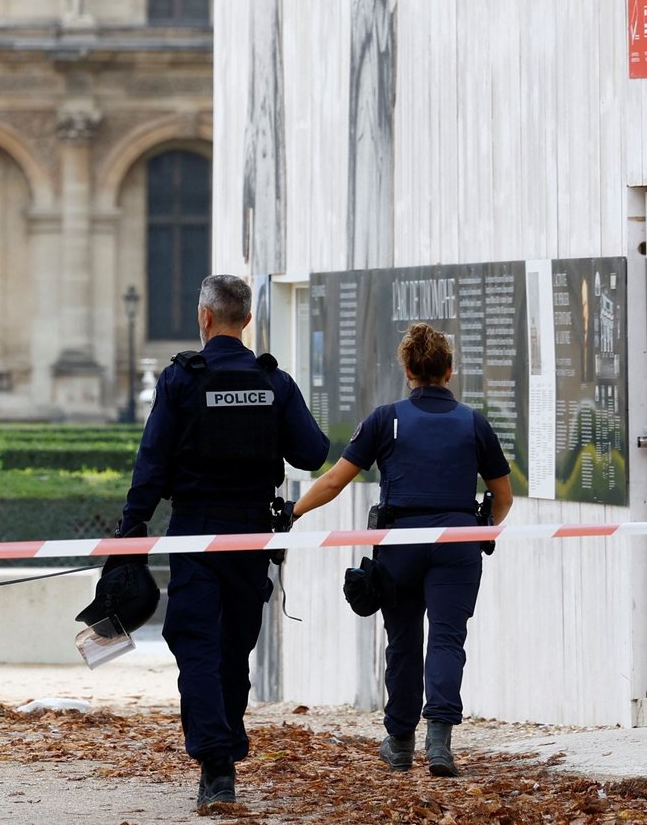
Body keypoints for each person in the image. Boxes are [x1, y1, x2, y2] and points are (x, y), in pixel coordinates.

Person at [115, 274, 329, 810]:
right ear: (247, 320)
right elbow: (312, 452)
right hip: (252, 533)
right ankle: (224, 752)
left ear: (205, 317)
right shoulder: (272, 381)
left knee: (197, 646)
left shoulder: (182, 379)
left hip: (196, 530)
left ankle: (217, 765)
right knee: (234, 648)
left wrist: (131, 527)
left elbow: (153, 460)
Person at [292, 322, 513, 778]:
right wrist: (482, 528)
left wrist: (292, 512)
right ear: (449, 371)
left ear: (407, 370)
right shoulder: (474, 423)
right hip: (458, 543)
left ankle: (398, 743)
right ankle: (440, 746)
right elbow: (503, 496)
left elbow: (334, 481)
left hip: (400, 544)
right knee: (448, 639)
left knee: (404, 643)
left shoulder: (385, 419)